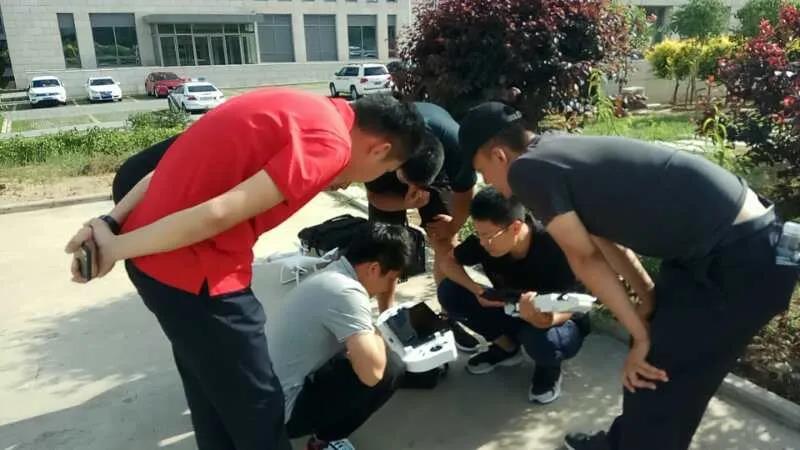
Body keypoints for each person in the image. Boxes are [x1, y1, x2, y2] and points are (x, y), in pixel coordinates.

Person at [64, 90, 425, 450]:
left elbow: (162, 171)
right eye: (384, 171)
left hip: (157, 270)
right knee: (261, 417)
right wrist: (113, 248)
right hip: (199, 277)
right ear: (379, 149)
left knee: (212, 398)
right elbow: (218, 214)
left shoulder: (301, 106)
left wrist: (110, 224)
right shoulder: (330, 144)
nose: (367, 179)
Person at [457, 102, 797, 450]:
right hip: (734, 247)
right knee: (653, 368)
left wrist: (642, 336)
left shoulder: (526, 171)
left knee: (657, 379)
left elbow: (585, 259)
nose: (490, 184)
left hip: (738, 261)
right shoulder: (554, 151)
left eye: (483, 171)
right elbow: (604, 240)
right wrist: (646, 302)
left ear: (499, 155)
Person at [437, 187, 588, 403]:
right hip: (510, 308)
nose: (482, 243)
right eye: (479, 234)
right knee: (449, 291)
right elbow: (448, 262)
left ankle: (549, 368)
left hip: (558, 320)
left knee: (538, 337)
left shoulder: (555, 246)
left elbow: (574, 305)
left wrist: (544, 319)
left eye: (487, 236)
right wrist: (478, 290)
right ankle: (507, 348)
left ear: (515, 227)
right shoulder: (486, 242)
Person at [270, 222, 410, 450]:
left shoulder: (332, 271)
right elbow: (372, 374)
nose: (387, 288)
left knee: (362, 350)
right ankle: (324, 442)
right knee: (391, 368)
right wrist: (379, 334)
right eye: (391, 279)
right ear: (374, 269)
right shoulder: (347, 292)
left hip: (264, 394)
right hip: (282, 413)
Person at [366, 101, 479, 350]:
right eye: (409, 183)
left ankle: (450, 314)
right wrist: (403, 203)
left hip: (434, 164)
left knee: (446, 243)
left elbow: (464, 193)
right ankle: (388, 317)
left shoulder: (456, 148)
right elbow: (375, 197)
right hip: (391, 173)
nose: (414, 190)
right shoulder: (383, 146)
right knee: (388, 247)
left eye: (420, 185)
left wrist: (453, 225)